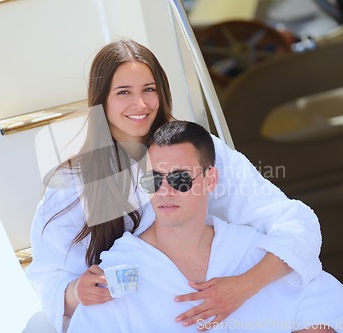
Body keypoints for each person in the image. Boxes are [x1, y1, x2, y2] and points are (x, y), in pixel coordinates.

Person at [26, 39, 323, 333]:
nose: (140, 104)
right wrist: (76, 292)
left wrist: (244, 286)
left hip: (215, 313)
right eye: (124, 92)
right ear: (101, 100)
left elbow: (296, 224)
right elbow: (48, 277)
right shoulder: (71, 185)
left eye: (149, 90)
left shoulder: (202, 153)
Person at [69, 121, 343, 333]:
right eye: (154, 180)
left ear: (211, 179)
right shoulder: (120, 274)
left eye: (179, 179)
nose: (165, 191)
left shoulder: (250, 252)